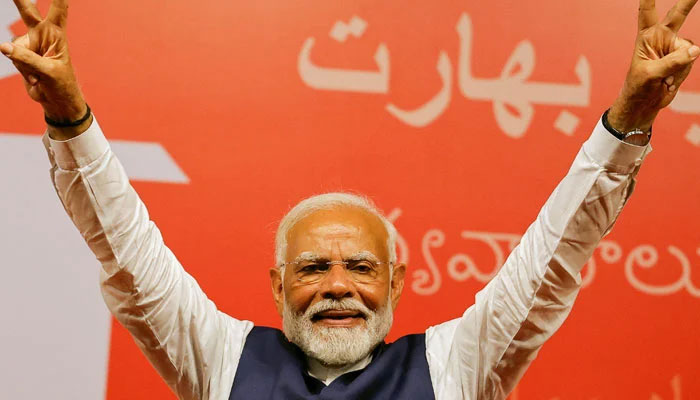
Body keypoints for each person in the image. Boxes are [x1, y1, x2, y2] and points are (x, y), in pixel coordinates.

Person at [2, 0, 697, 398]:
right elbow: (126, 252)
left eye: (361, 268)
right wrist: (68, 111)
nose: (338, 287)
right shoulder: (221, 357)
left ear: (396, 280)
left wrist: (629, 119)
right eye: (312, 269)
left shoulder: (455, 366)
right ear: (277, 285)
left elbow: (554, 256)